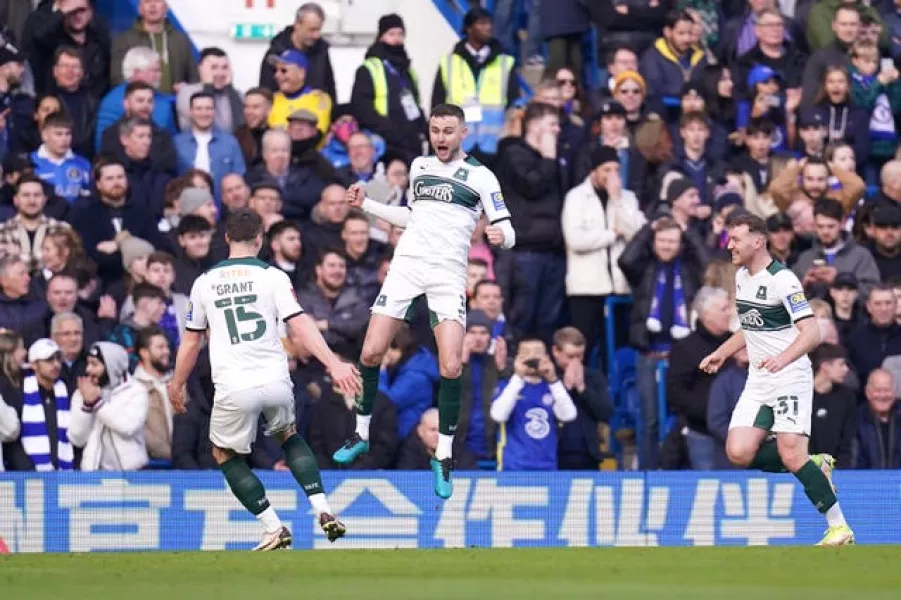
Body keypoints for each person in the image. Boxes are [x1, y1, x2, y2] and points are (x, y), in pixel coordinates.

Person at [329, 104, 516, 500]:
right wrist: (366, 206)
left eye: (449, 130)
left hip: (448, 275)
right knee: (371, 351)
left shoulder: (481, 176)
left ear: (463, 132)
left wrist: (502, 236)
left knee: (451, 364)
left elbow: (506, 225)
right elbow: (411, 217)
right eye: (436, 130)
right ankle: (360, 434)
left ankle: (444, 454)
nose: (442, 138)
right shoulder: (419, 167)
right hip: (407, 267)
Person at [167, 208, 360, 551]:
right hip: (275, 378)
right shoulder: (274, 277)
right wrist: (334, 363)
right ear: (260, 240)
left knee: (224, 453)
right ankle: (324, 509)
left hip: (234, 383)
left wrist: (176, 383)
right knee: (289, 435)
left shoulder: (204, 283)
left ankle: (273, 526)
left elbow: (192, 341)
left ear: (225, 238)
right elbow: (299, 324)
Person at [700, 211, 853, 546]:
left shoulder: (783, 280)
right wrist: (723, 352)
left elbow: (812, 332)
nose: (730, 245)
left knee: (790, 453)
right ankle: (815, 466)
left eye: (736, 239)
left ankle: (839, 526)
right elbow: (750, 326)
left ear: (758, 240)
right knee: (738, 452)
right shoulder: (741, 277)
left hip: (789, 376)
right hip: (759, 379)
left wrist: (783, 358)